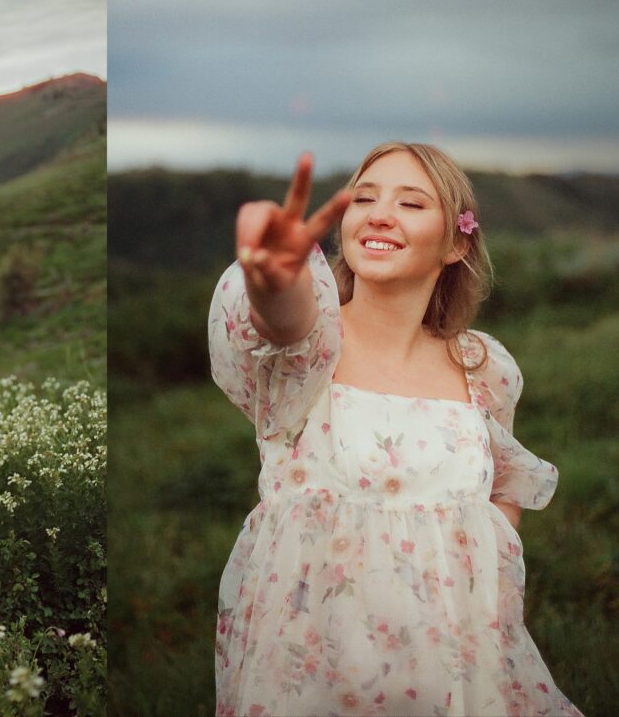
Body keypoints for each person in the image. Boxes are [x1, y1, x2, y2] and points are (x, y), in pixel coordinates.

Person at [208, 143, 583, 717]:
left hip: (454, 674)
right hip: (314, 672)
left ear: (457, 242)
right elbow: (281, 319)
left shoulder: (485, 368)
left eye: (411, 203)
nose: (379, 213)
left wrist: (485, 621)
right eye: (364, 198)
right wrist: (272, 281)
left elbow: (499, 496)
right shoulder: (311, 350)